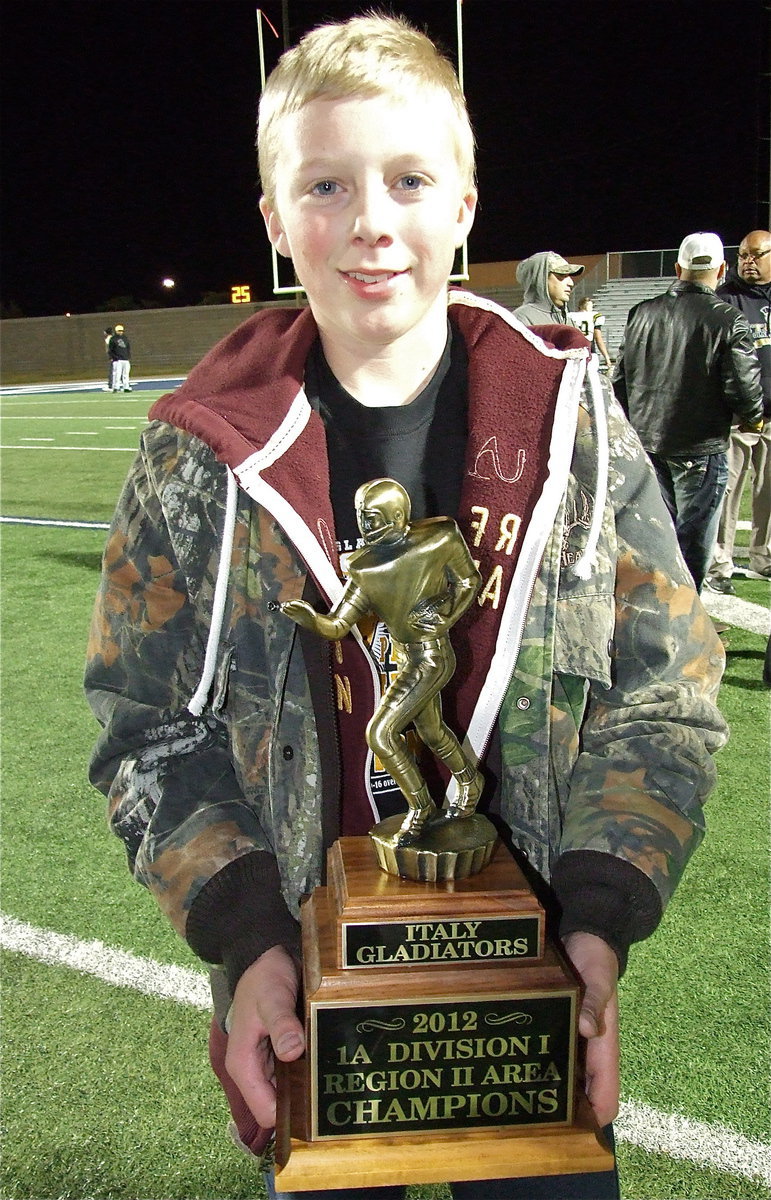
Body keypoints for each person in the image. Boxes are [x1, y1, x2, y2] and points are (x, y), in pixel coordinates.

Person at [85, 16, 729, 1200]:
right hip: (307, 988)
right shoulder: (195, 456)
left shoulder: (575, 434)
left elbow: (666, 698)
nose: (372, 220)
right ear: (277, 221)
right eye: (325, 185)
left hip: (533, 983)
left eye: (409, 179)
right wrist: (245, 933)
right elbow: (145, 725)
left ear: (466, 203)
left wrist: (595, 915)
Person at [279, 477, 484, 845]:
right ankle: (470, 780)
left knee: (380, 733)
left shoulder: (438, 538)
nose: (364, 527)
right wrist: (312, 619)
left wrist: (444, 611)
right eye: (361, 517)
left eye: (372, 518)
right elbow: (339, 624)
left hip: (432, 656)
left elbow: (468, 580)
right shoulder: (364, 568)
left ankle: (421, 808)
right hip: (411, 659)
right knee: (433, 732)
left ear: (398, 515)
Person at [611, 232, 764, 592]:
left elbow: (619, 383)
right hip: (701, 446)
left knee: (658, 533)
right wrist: (754, 417)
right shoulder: (728, 319)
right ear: (722, 269)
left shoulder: (642, 313)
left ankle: (655, 615)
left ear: (678, 267)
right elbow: (744, 389)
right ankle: (684, 622)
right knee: (694, 541)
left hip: (649, 441)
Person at [707, 230, 771, 592]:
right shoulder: (725, 298)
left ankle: (764, 557)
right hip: (736, 417)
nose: (749, 261)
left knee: (769, 491)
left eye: (757, 255)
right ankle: (720, 563)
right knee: (728, 492)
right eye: (744, 255)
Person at [513, 251, 584, 325]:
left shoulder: (569, 322)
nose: (571, 283)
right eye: (562, 275)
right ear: (541, 279)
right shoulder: (521, 319)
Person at [570, 297, 612, 369]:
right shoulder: (593, 316)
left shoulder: (570, 316)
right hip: (590, 350)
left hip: (573, 352)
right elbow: (598, 339)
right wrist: (606, 357)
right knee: (592, 377)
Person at [108, 322, 131, 392]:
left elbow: (128, 348)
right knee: (117, 374)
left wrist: (128, 356)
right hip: (118, 360)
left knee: (126, 374)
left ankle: (126, 387)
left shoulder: (125, 338)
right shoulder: (113, 339)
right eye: (119, 331)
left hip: (125, 359)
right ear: (116, 331)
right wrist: (115, 357)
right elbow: (110, 350)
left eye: (122, 331)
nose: (121, 332)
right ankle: (116, 387)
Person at [103, 327, 114, 391]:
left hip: (113, 358)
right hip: (115, 357)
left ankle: (110, 385)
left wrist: (111, 357)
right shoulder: (113, 338)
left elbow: (109, 350)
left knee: (111, 371)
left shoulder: (109, 339)